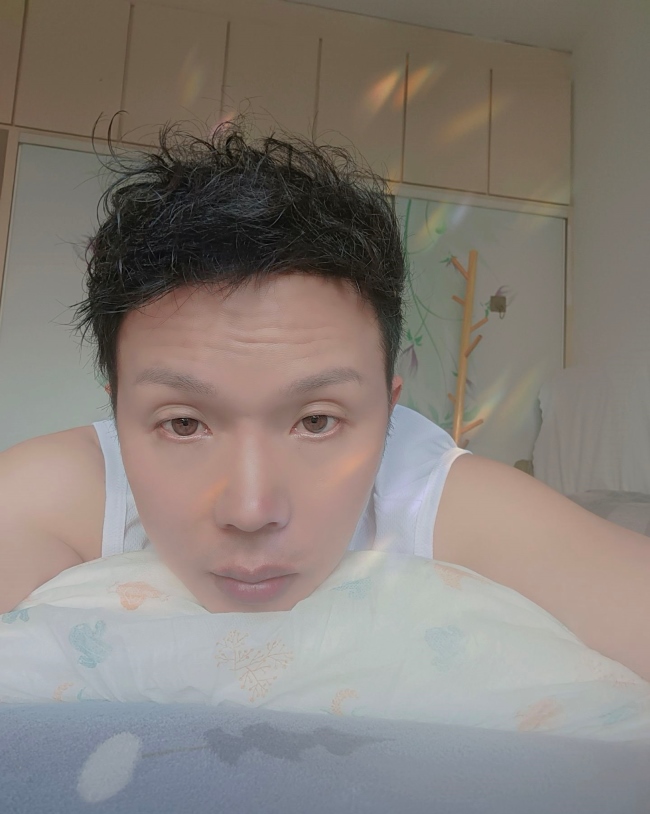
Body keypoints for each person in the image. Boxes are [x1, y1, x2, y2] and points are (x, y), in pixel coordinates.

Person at [1, 122, 649, 682]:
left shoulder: (434, 498)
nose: (250, 510)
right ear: (117, 414)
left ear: (389, 413)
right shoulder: (59, 491)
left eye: (316, 421)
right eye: (184, 424)